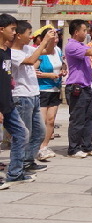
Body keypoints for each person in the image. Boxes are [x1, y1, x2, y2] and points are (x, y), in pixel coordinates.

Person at [10, 21, 54, 174]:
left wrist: (51, 39)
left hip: (34, 94)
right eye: (29, 34)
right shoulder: (12, 52)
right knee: (24, 134)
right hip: (21, 96)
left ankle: (28, 161)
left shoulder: (27, 48)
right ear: (19, 35)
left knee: (40, 132)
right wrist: (43, 42)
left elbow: (48, 51)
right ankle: (18, 166)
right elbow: (30, 61)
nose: (31, 37)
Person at [0, 13, 36, 189]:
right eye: (12, 29)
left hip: (8, 103)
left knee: (22, 133)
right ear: (1, 29)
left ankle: (15, 173)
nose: (14, 33)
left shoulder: (6, 51)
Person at [64, 19, 92, 158]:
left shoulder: (80, 45)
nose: (86, 33)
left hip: (86, 86)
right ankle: (73, 148)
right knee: (77, 119)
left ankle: (87, 145)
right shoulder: (71, 46)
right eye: (84, 30)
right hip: (76, 87)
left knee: (90, 118)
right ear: (76, 32)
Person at [35, 25, 65, 161]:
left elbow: (61, 66)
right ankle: (37, 147)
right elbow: (32, 71)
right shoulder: (40, 52)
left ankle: (44, 146)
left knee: (51, 120)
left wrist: (62, 72)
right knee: (41, 121)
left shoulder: (58, 51)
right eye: (52, 35)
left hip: (55, 89)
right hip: (42, 89)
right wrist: (48, 75)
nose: (55, 38)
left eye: (57, 36)